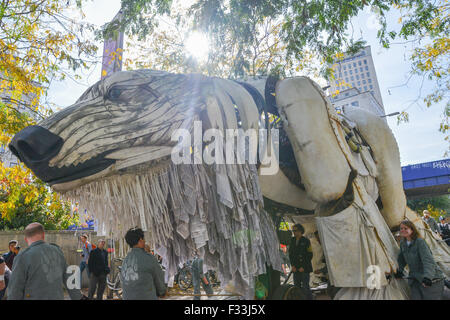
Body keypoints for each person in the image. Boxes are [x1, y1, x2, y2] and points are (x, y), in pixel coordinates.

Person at [7, 222, 83, 300]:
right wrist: (78, 297)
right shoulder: (56, 250)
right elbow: (69, 279)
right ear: (43, 235)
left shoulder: (22, 257)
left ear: (26, 239)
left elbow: (15, 290)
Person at [395, 220, 445, 300]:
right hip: (415, 279)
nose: (403, 230)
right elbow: (401, 259)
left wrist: (428, 277)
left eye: (406, 228)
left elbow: (428, 260)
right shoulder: (403, 243)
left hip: (431, 280)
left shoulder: (419, 242)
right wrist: (400, 270)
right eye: (401, 228)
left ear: (412, 229)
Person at [120, 227, 167, 300]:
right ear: (140, 240)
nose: (145, 241)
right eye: (144, 239)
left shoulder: (125, 260)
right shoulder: (149, 258)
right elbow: (159, 280)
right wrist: (162, 293)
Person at [288, 223, 313, 300]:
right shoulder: (292, 240)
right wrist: (292, 266)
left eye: (296, 231)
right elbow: (291, 254)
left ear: (300, 231)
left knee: (305, 287)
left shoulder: (306, 241)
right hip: (295, 268)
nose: (294, 232)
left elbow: (309, 255)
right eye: (293, 231)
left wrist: (303, 267)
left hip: (304, 268)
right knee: (296, 287)